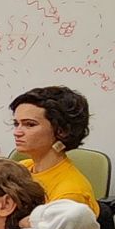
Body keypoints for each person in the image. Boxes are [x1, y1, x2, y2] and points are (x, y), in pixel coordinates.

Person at [10, 86, 99, 214]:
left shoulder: (71, 193)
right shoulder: (21, 169)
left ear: (62, 131)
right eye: (16, 124)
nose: (17, 132)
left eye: (30, 124)